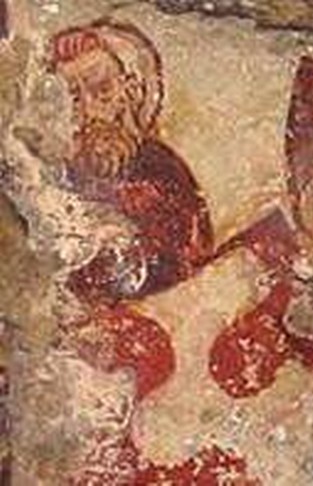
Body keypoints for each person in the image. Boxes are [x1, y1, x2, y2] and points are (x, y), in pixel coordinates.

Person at [48, 20, 213, 302]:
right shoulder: (53, 174)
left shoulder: (161, 171)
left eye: (102, 90)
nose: (89, 111)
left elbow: (189, 262)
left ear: (130, 92)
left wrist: (121, 243)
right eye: (73, 98)